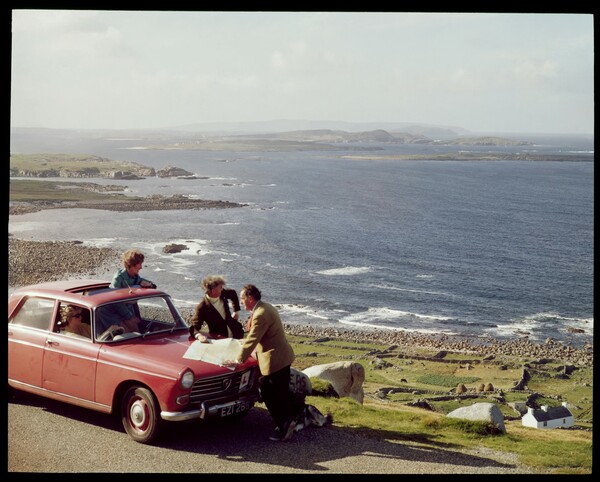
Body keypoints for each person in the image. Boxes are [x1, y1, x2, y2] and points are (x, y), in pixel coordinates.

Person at [223, 284, 297, 442]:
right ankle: (288, 421)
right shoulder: (266, 307)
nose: (241, 302)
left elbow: (253, 339)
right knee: (281, 392)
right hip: (282, 356)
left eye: (242, 299)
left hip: (275, 360)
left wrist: (238, 360)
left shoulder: (260, 314)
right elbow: (259, 335)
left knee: (270, 393)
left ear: (250, 298)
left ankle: (284, 425)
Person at [109, 249, 155, 332]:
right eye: (139, 264)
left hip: (130, 309)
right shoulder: (118, 279)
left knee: (139, 330)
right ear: (131, 265)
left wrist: (150, 285)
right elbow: (115, 301)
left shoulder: (134, 276)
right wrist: (130, 317)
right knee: (133, 334)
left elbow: (146, 283)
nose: (141, 267)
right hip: (115, 313)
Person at [189, 275, 244, 342]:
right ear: (213, 291)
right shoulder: (202, 307)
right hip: (220, 340)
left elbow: (233, 293)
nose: (222, 289)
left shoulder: (223, 293)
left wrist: (236, 311)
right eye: (220, 287)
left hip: (236, 334)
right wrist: (199, 336)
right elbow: (194, 327)